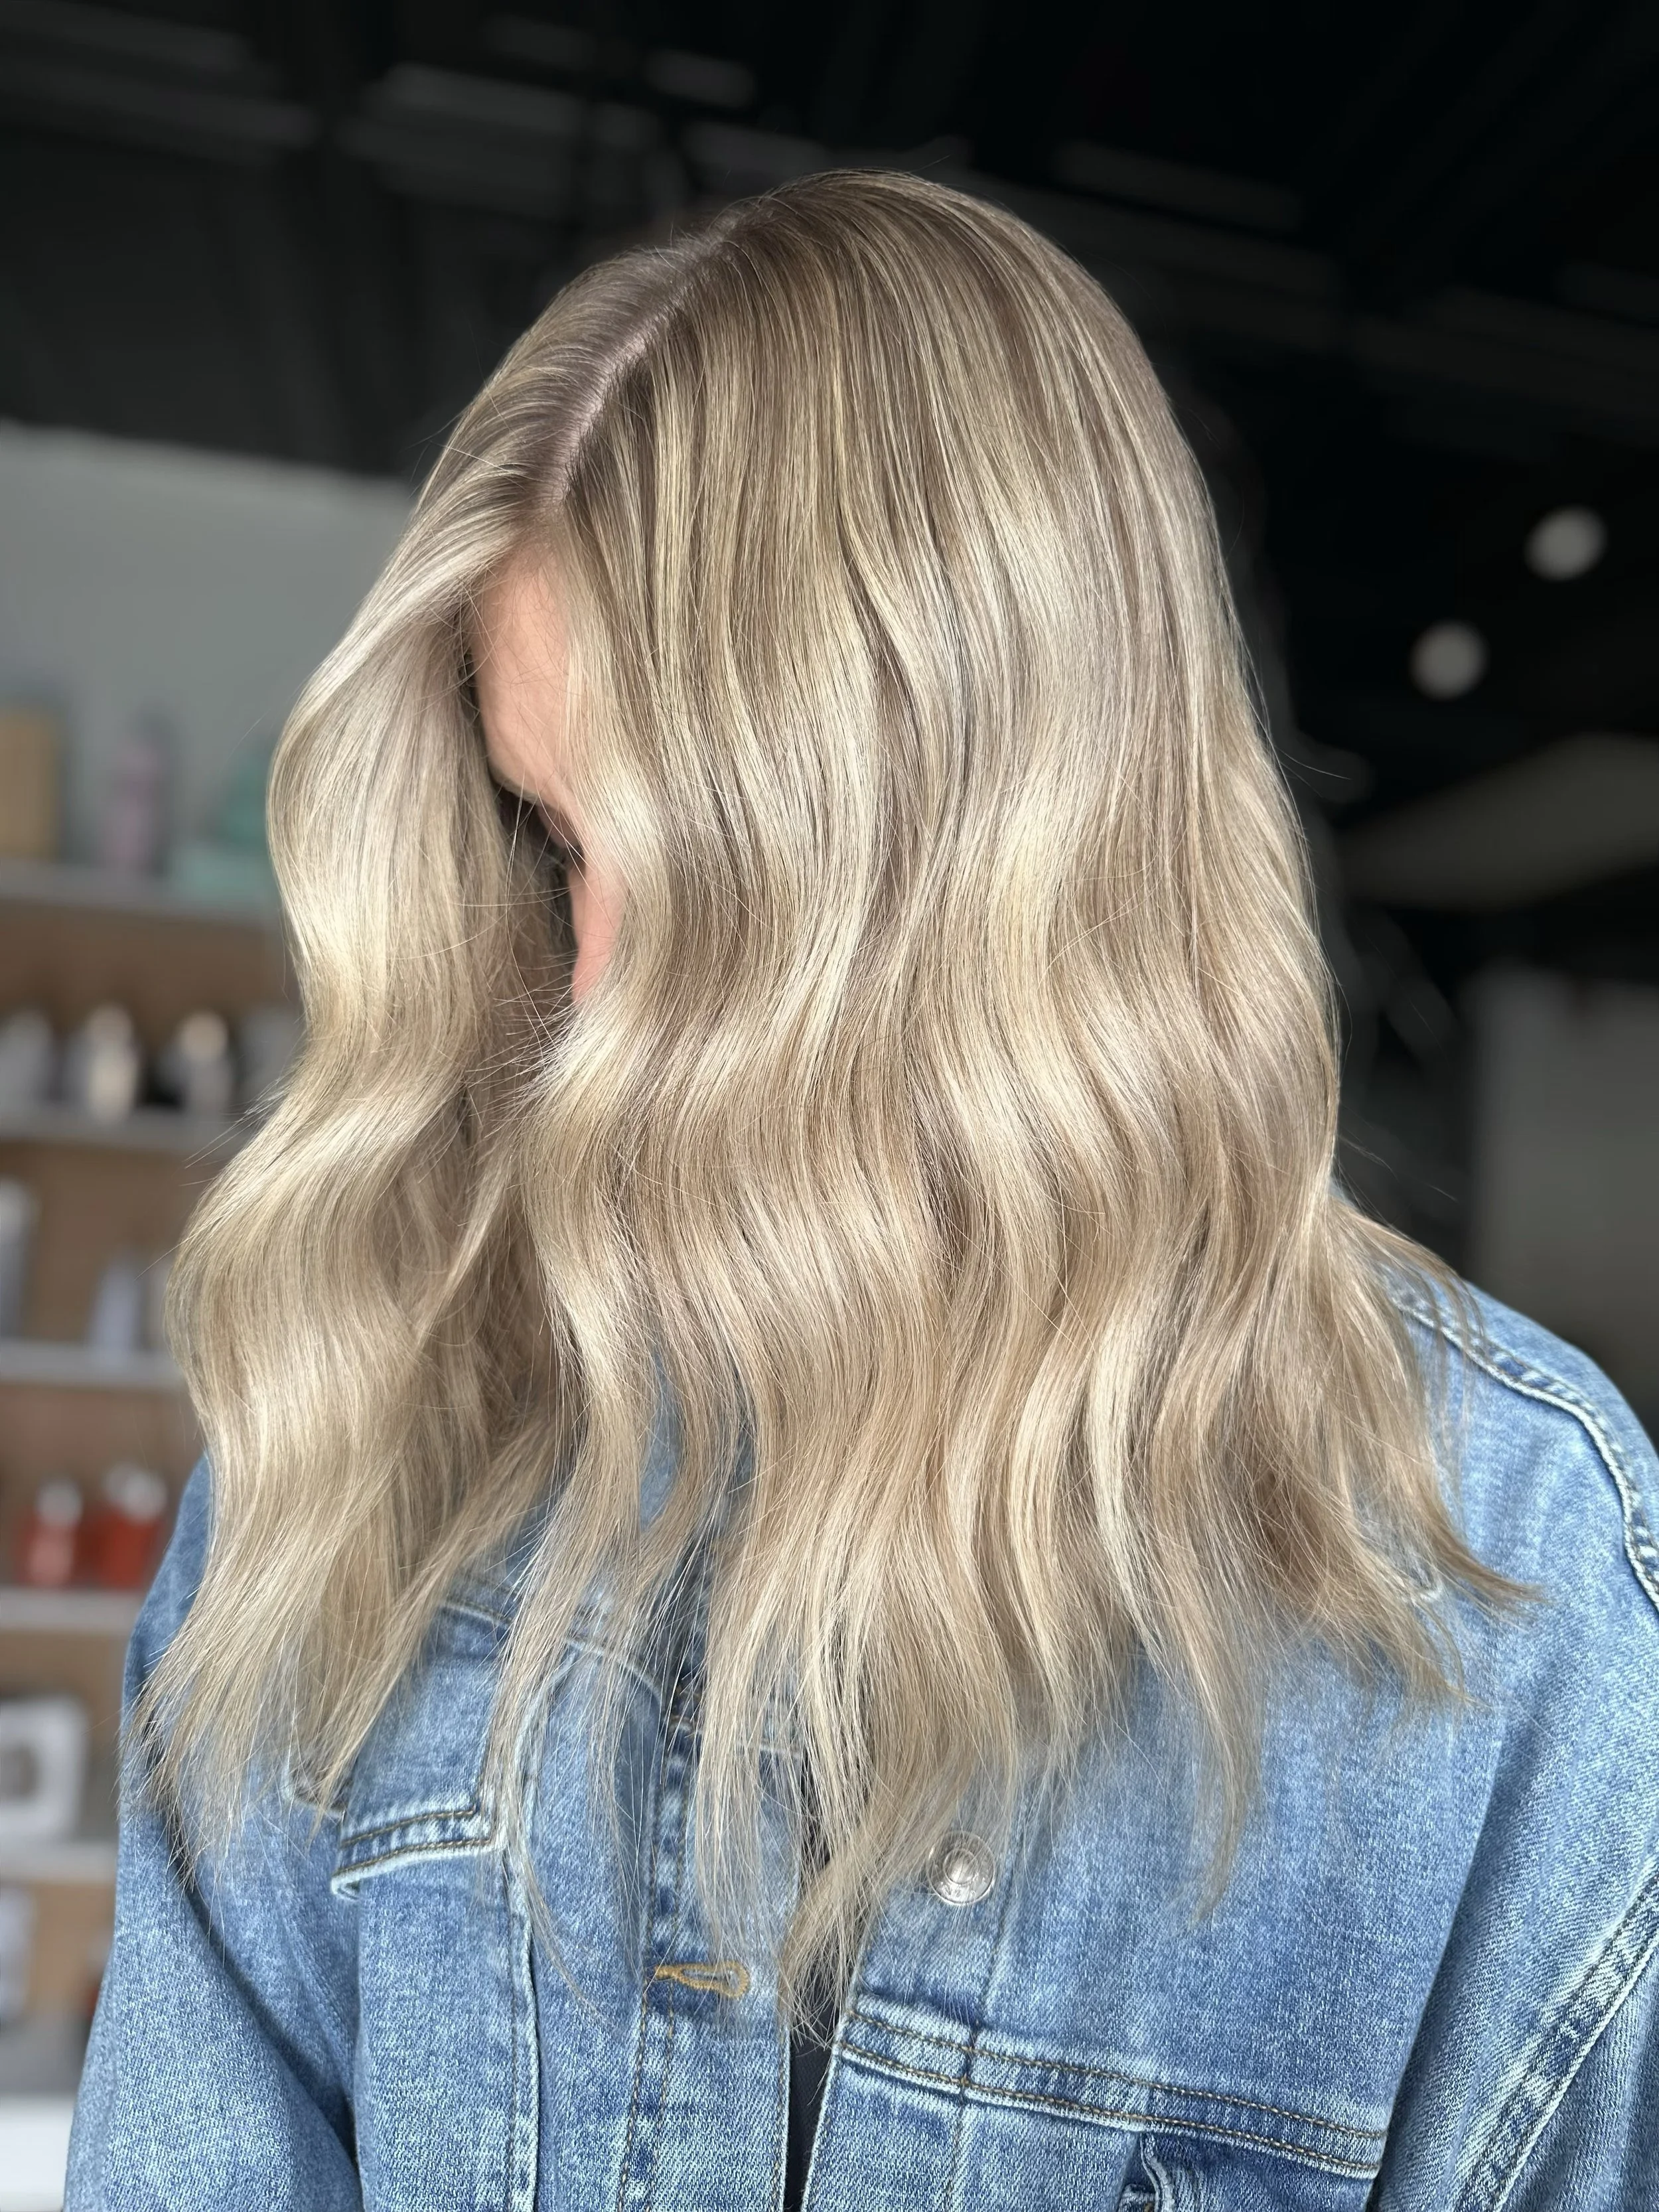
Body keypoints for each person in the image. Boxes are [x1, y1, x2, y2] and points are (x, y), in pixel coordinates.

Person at [67, 169, 1658, 2212]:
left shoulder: (1513, 1581)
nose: (592, 997)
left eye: (713, 869)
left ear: (1034, 846)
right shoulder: (362, 1452)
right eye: (550, 841)